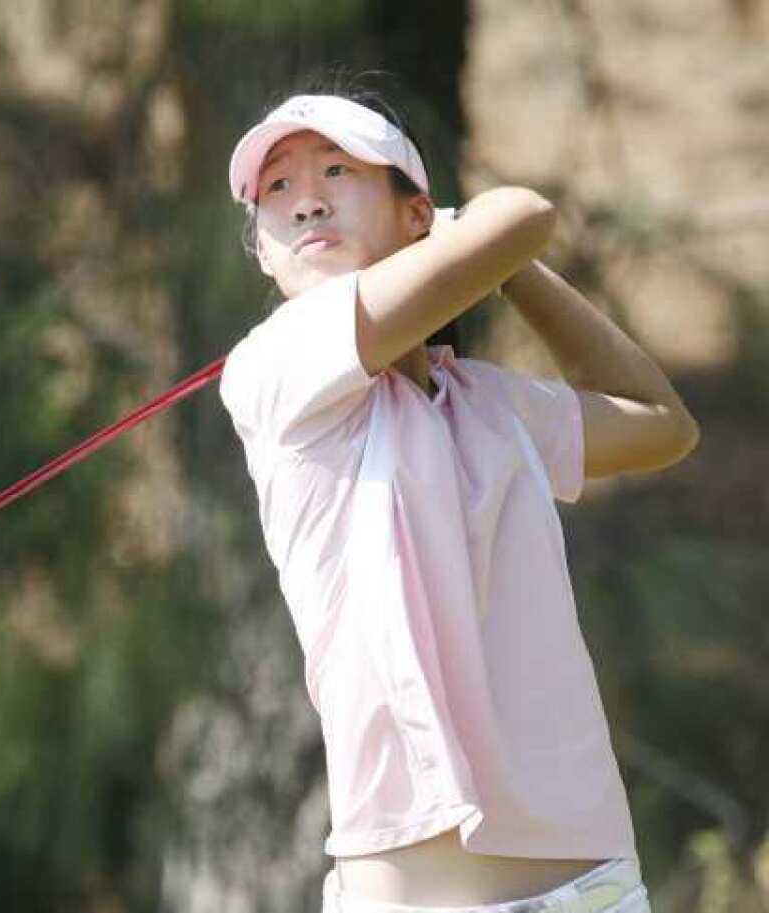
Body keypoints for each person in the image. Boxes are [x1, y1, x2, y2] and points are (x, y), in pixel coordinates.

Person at [218, 85, 700, 913]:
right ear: (262, 252)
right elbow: (517, 215)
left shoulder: (489, 403)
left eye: (336, 169)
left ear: (415, 217)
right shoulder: (273, 368)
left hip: (597, 890)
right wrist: (476, 239)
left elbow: (663, 424)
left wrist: (502, 264)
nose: (303, 204)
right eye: (277, 191)